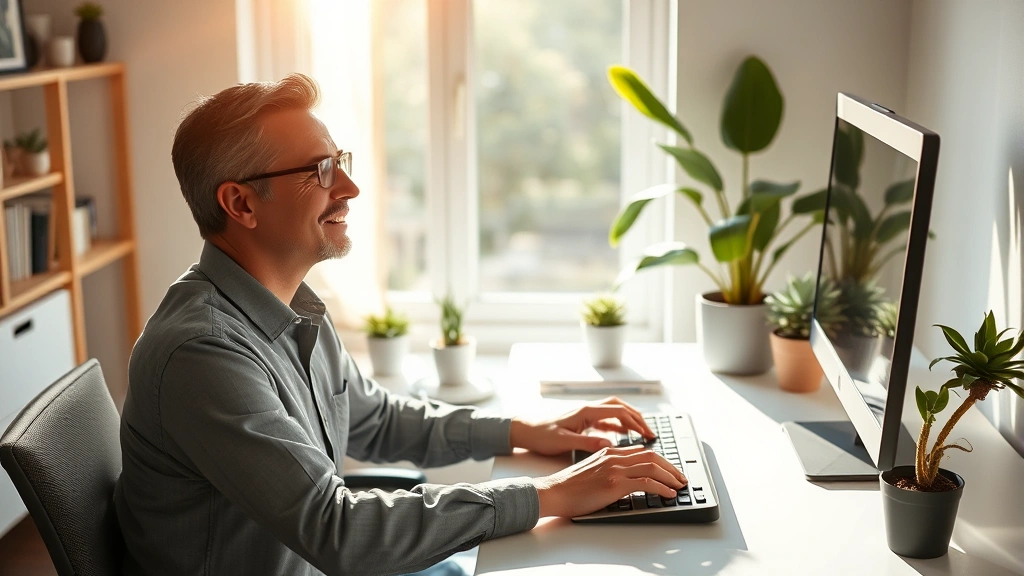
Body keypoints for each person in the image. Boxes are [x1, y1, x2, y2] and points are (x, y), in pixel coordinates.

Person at [113, 73, 686, 576]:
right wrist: (550, 493)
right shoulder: (202, 352)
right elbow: (337, 532)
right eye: (320, 170)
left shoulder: (295, 306)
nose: (350, 188)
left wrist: (524, 430)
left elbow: (376, 421)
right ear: (241, 204)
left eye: (341, 162)